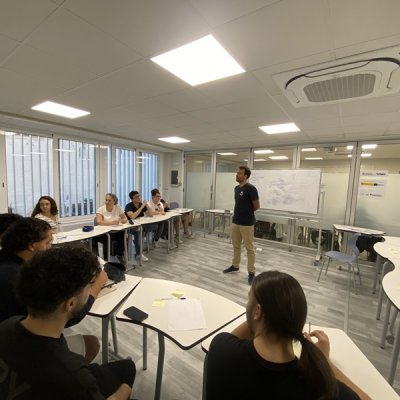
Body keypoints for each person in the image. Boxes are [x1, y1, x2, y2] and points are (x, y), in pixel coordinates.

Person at [206, 270, 370, 400]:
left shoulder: (221, 350)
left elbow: (235, 338)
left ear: (257, 311)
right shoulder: (322, 388)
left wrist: (265, 307)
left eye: (249, 299)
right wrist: (325, 362)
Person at [0, 245, 135, 400]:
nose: (91, 289)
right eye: (90, 285)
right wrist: (125, 389)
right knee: (128, 368)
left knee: (92, 345)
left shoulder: (7, 325)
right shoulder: (74, 377)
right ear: (70, 304)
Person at [0, 217, 105, 362]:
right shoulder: (16, 277)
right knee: (92, 344)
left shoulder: (8, 261)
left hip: (9, 332)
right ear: (32, 246)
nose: (51, 247)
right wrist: (96, 286)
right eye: (48, 243)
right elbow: (65, 316)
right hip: (16, 349)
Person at [223, 166, 260, 285]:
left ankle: (251, 272)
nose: (237, 174)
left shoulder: (251, 189)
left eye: (239, 173)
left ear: (245, 176)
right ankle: (235, 266)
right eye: (237, 173)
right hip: (236, 222)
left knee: (249, 249)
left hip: (247, 224)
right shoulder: (236, 188)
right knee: (236, 246)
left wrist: (246, 213)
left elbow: (257, 206)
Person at [94, 193, 128, 264]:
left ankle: (120, 255)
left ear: (114, 201)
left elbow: (125, 218)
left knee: (123, 235)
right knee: (106, 238)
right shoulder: (101, 209)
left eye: (109, 200)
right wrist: (111, 223)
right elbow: (99, 221)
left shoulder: (118, 208)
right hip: (104, 232)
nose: (107, 202)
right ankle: (106, 260)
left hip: (115, 231)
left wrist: (120, 221)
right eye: (106, 200)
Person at [124, 190, 157, 262]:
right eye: (136, 197)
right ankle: (138, 254)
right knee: (138, 232)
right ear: (132, 199)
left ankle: (149, 243)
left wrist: (146, 205)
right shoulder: (128, 206)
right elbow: (132, 216)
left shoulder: (141, 204)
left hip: (141, 225)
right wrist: (142, 207)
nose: (138, 198)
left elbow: (151, 215)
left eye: (139, 196)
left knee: (155, 226)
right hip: (131, 226)